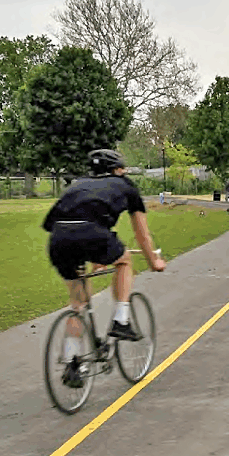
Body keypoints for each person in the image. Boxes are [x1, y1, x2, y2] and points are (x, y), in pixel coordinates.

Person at [43, 149, 167, 386]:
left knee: (78, 305)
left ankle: (72, 362)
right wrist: (154, 261)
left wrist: (92, 254)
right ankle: (121, 319)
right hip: (93, 236)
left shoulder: (77, 186)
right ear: (117, 170)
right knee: (124, 260)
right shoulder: (125, 185)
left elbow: (61, 224)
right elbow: (142, 234)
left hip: (59, 240)